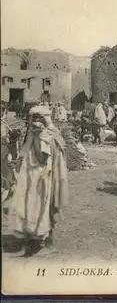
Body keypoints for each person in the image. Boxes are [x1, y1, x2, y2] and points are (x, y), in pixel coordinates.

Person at [8, 105, 68, 256]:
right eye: (33, 118)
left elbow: (45, 158)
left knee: (45, 208)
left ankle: (47, 243)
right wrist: (19, 161)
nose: (35, 121)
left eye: (39, 118)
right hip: (32, 176)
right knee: (31, 207)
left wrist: (40, 136)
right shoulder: (33, 133)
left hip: (45, 177)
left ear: (45, 120)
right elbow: (26, 152)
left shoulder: (48, 135)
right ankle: (34, 241)